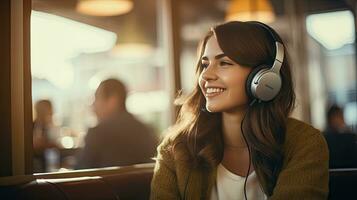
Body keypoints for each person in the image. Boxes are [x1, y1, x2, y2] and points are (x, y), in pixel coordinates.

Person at [150, 21, 329, 200]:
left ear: (266, 77)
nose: (205, 75)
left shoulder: (304, 143)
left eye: (224, 63)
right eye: (205, 64)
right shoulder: (176, 148)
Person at [76, 78, 158, 169]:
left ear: (113, 100)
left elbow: (79, 172)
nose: (93, 105)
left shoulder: (97, 133)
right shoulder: (146, 130)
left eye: (96, 98)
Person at [324, 104, 357, 168]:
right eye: (336, 117)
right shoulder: (324, 138)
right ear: (329, 119)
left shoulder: (350, 137)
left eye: (340, 117)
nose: (338, 120)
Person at [33, 99, 60, 172]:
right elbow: (36, 144)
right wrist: (51, 144)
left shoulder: (47, 125)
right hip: (37, 163)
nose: (52, 112)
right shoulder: (35, 126)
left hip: (47, 161)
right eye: (50, 109)